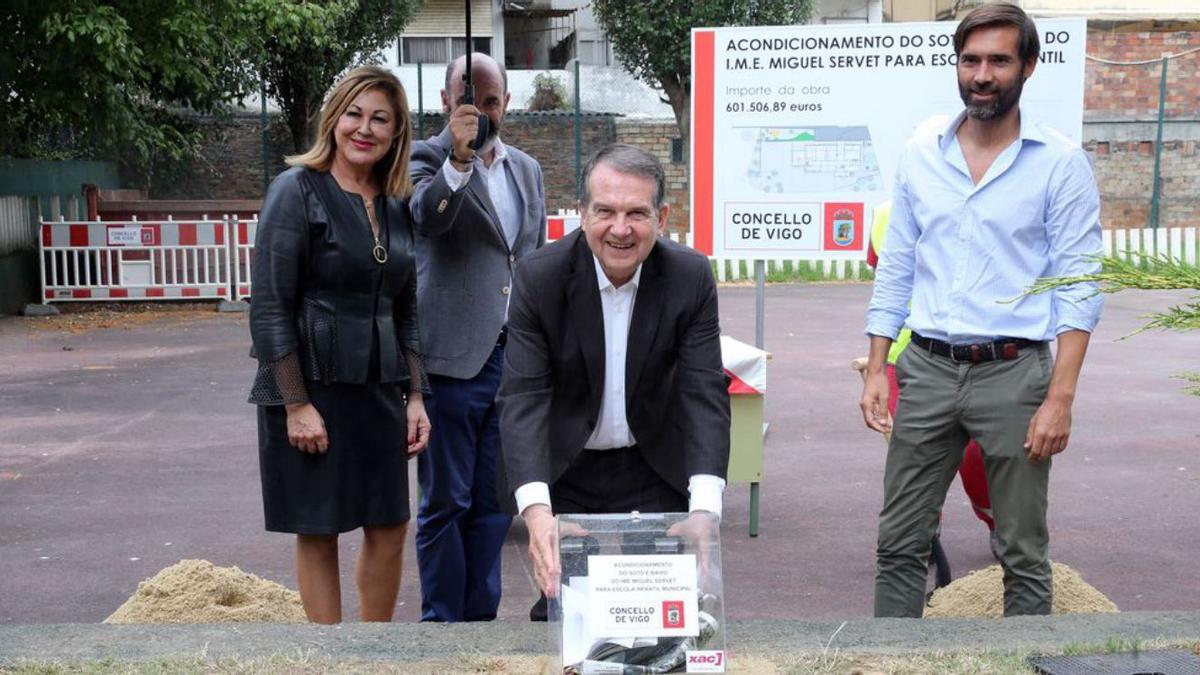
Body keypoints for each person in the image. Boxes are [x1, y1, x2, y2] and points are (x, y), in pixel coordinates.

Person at [860, 2, 1103, 618]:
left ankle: (1025, 661)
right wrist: (874, 366)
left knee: (1021, 549)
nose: (982, 74)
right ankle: (889, 662)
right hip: (928, 371)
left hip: (1014, 374)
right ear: (957, 65)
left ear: (1028, 66)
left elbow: (1080, 285)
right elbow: (898, 265)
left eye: (999, 60)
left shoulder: (1060, 163)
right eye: (970, 60)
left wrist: (1061, 398)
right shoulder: (923, 151)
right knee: (898, 542)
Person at [497, 144, 731, 617]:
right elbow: (524, 396)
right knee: (565, 617)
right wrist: (537, 511)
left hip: (655, 461)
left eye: (636, 213)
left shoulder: (690, 276)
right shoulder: (539, 277)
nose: (620, 229)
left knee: (667, 617)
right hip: (568, 465)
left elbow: (704, 390)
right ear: (581, 213)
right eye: (604, 211)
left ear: (662, 217)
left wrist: (705, 509)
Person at [248, 66, 431, 624]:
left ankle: (373, 651)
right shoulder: (295, 189)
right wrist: (295, 405)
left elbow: (407, 306)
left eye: (381, 118)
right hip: (312, 386)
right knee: (319, 526)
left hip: (380, 388)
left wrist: (417, 396)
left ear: (397, 131)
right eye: (355, 113)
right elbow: (270, 306)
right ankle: (330, 656)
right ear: (335, 117)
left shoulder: (396, 202)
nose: (365, 128)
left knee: (389, 523)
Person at [409, 52, 546, 622]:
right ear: (446, 102)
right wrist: (459, 162)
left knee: (494, 503)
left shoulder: (527, 169)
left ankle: (481, 620)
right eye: (471, 101)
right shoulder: (424, 158)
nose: (484, 112)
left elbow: (531, 258)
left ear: (507, 103)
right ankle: (442, 625)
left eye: (493, 102)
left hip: (511, 362)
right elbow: (426, 216)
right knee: (446, 501)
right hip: (450, 362)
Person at [866, 202, 998, 547]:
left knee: (976, 456)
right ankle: (922, 532)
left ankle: (997, 518)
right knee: (916, 455)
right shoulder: (885, 214)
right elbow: (886, 283)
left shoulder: (984, 205)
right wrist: (877, 361)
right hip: (906, 353)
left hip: (978, 351)